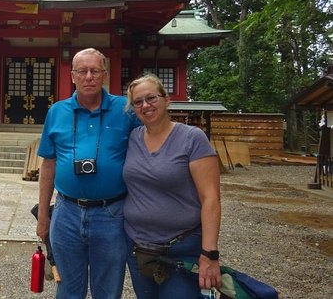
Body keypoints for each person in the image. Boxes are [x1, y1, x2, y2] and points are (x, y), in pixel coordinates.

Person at [36, 48, 141, 298]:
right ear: (72, 75)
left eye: (95, 71)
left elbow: (150, 147)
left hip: (112, 213)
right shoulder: (57, 112)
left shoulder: (125, 110)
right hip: (66, 213)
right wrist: (43, 215)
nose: (89, 77)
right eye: (82, 71)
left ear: (104, 74)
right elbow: (48, 164)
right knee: (68, 289)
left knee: (108, 289)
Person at [123, 74, 221, 298]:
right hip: (139, 247)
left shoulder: (192, 138)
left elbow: (211, 198)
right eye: (138, 102)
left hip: (181, 247)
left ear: (167, 100)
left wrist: (209, 254)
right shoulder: (133, 138)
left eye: (151, 98)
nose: (145, 106)